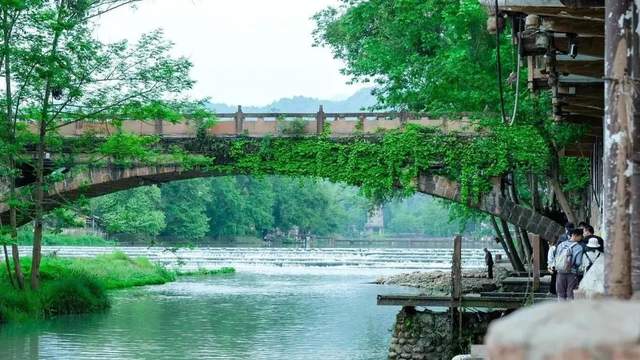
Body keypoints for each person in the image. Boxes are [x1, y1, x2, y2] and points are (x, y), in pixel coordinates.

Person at [554, 228, 584, 300]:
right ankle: (569, 310)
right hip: (572, 273)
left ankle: (561, 310)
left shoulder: (561, 245)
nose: (581, 238)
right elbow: (578, 262)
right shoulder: (579, 247)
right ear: (576, 235)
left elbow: (556, 257)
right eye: (580, 236)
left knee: (561, 294)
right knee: (570, 294)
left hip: (560, 272)